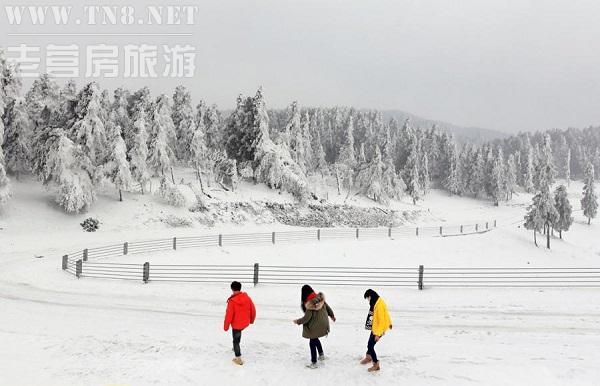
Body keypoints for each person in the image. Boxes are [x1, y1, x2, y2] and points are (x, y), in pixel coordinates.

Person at [293, 284, 336, 369]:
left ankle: (314, 362)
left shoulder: (310, 304)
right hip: (324, 323)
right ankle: (321, 355)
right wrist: (332, 316)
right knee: (315, 338)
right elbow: (328, 308)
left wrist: (297, 321)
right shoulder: (319, 298)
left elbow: (306, 318)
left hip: (316, 325)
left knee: (312, 341)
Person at [223, 281, 256, 365]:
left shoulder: (232, 301)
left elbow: (229, 315)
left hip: (237, 325)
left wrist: (226, 327)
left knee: (236, 341)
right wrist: (251, 320)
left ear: (232, 289)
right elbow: (253, 310)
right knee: (238, 335)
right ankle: (235, 348)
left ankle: (238, 359)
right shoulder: (247, 297)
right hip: (245, 323)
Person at [360, 289, 392, 372]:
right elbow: (386, 313)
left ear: (370, 296)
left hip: (379, 329)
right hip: (375, 327)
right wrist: (389, 323)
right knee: (369, 344)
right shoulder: (376, 302)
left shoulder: (379, 305)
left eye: (368, 298)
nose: (368, 300)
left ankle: (376, 364)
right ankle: (368, 357)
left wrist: (378, 334)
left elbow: (381, 320)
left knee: (370, 345)